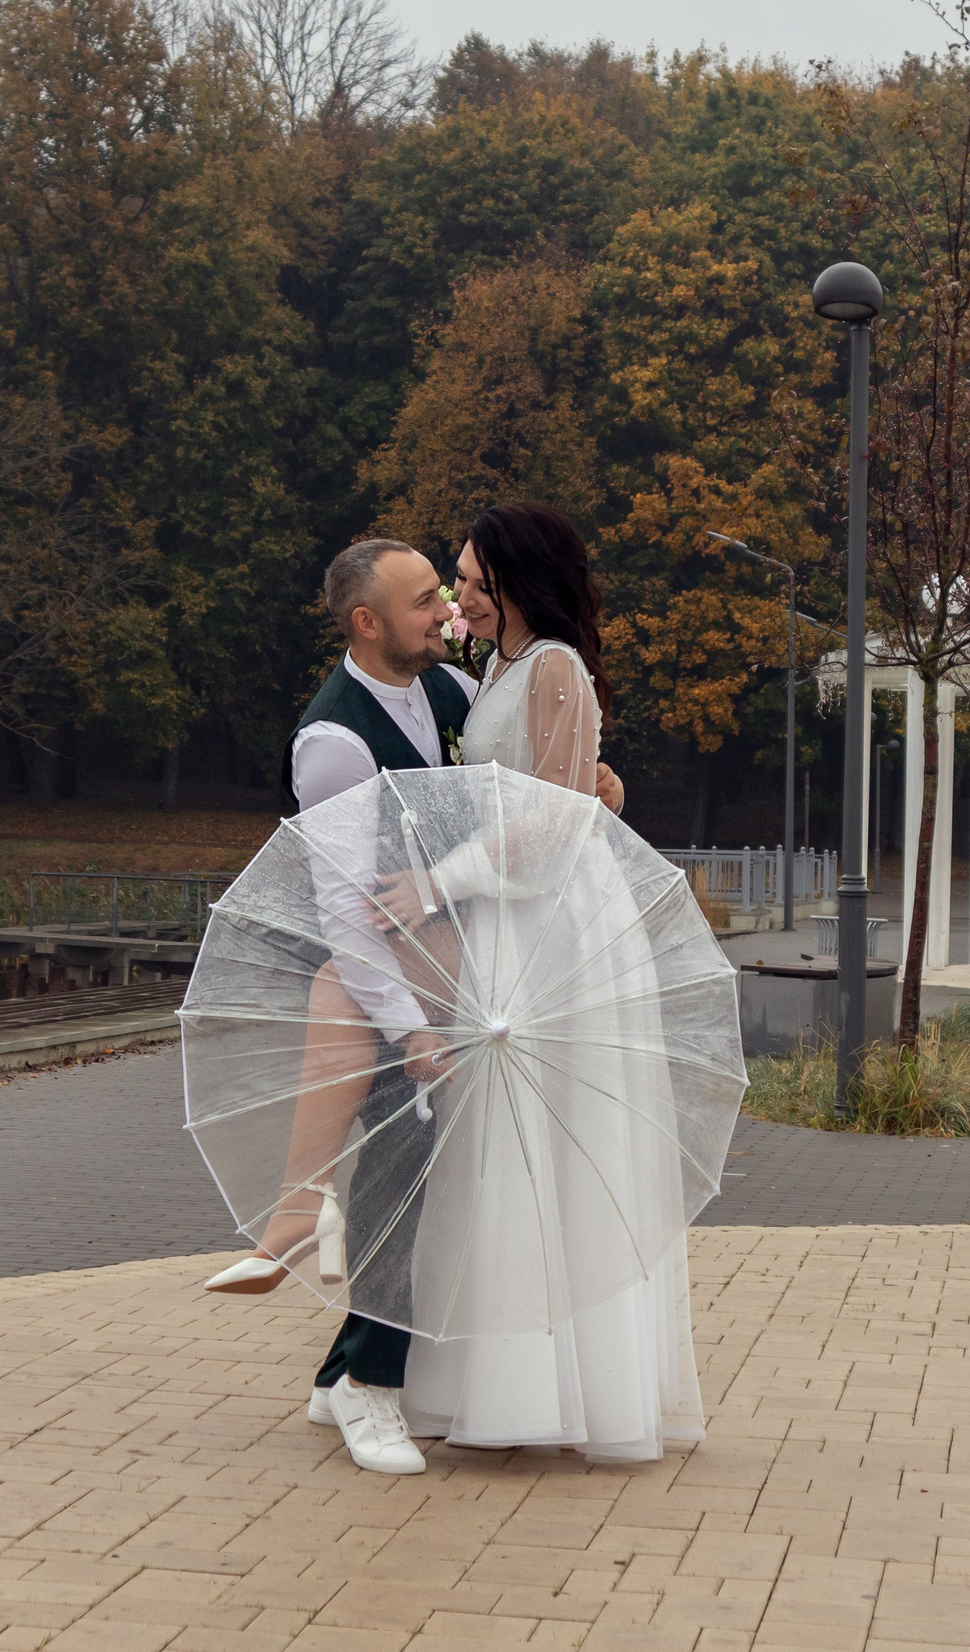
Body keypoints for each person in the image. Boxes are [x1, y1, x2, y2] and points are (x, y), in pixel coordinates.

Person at [198, 536, 622, 1477]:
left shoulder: (456, 694)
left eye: (447, 591)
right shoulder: (334, 744)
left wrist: (590, 783)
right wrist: (411, 1030)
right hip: (380, 984)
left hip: (460, 962)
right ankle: (370, 1392)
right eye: (427, 600)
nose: (447, 612)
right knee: (400, 1178)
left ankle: (335, 1361)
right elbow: (346, 914)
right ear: (366, 623)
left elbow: (519, 795)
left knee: (424, 1180)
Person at [385, 500, 705, 1463]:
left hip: (552, 924)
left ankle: (560, 1388)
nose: (461, 599)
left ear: (520, 584)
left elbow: (558, 815)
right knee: (495, 1141)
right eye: (458, 582)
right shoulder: (501, 667)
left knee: (544, 1140)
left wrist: (439, 880)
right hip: (510, 917)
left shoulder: (554, 665)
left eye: (476, 583)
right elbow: (566, 783)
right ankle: (492, 1376)